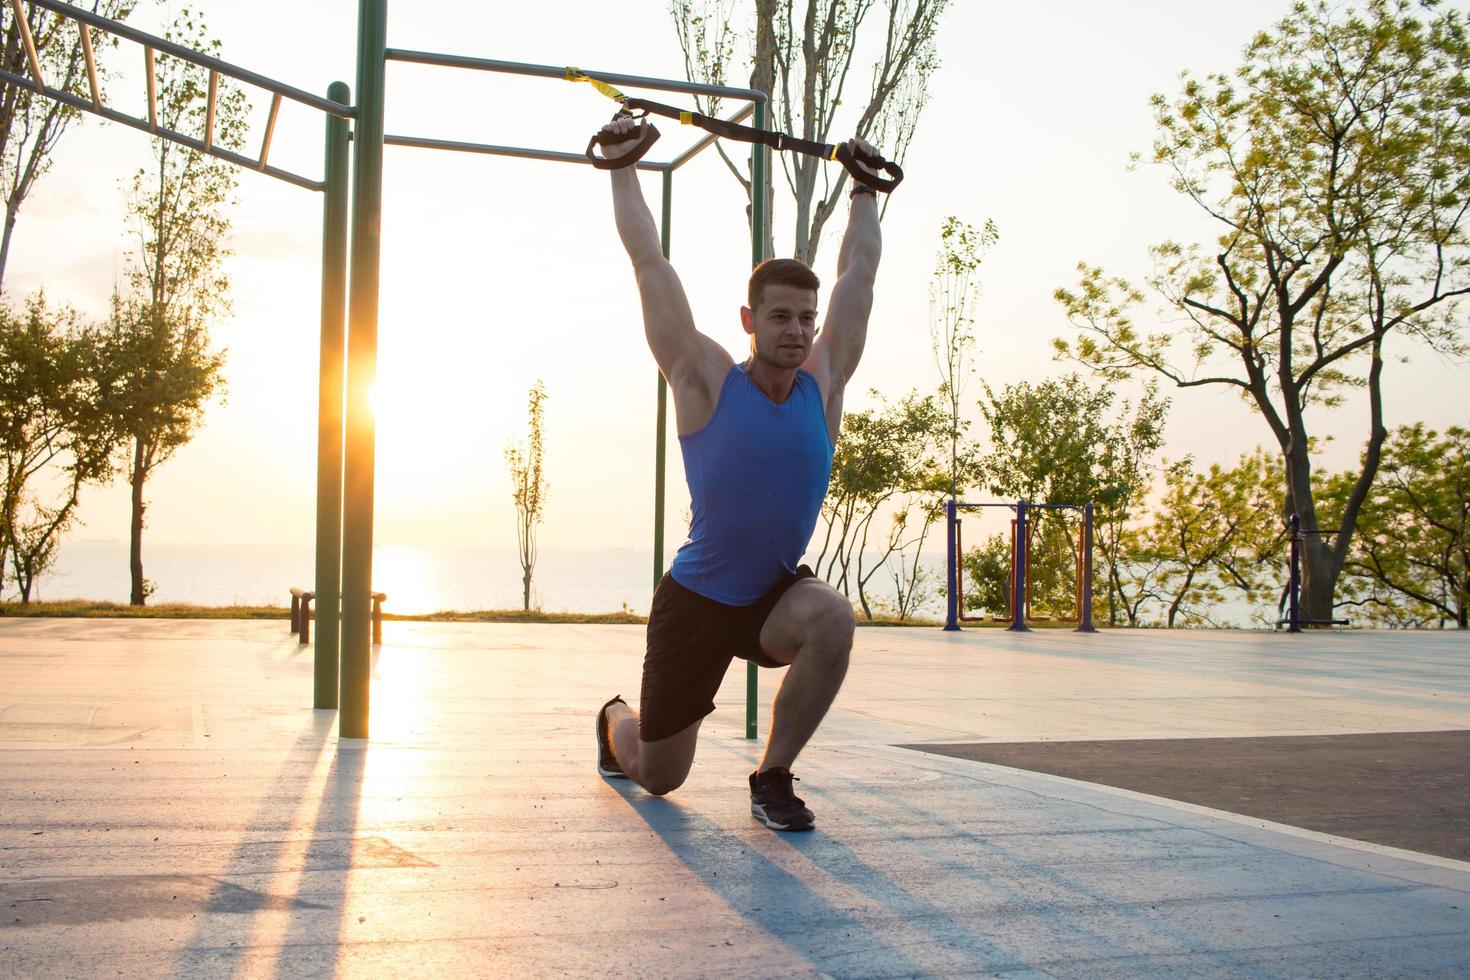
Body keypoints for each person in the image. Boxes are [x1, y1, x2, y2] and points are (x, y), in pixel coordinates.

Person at [594, 113, 884, 832]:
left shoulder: (824, 386)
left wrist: (865, 188)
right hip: (696, 601)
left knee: (834, 618)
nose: (796, 330)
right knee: (659, 778)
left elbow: (860, 274)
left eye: (805, 319)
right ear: (749, 320)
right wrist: (623, 167)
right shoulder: (705, 380)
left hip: (771, 598)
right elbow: (650, 266)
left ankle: (773, 776)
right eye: (780, 316)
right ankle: (611, 720)